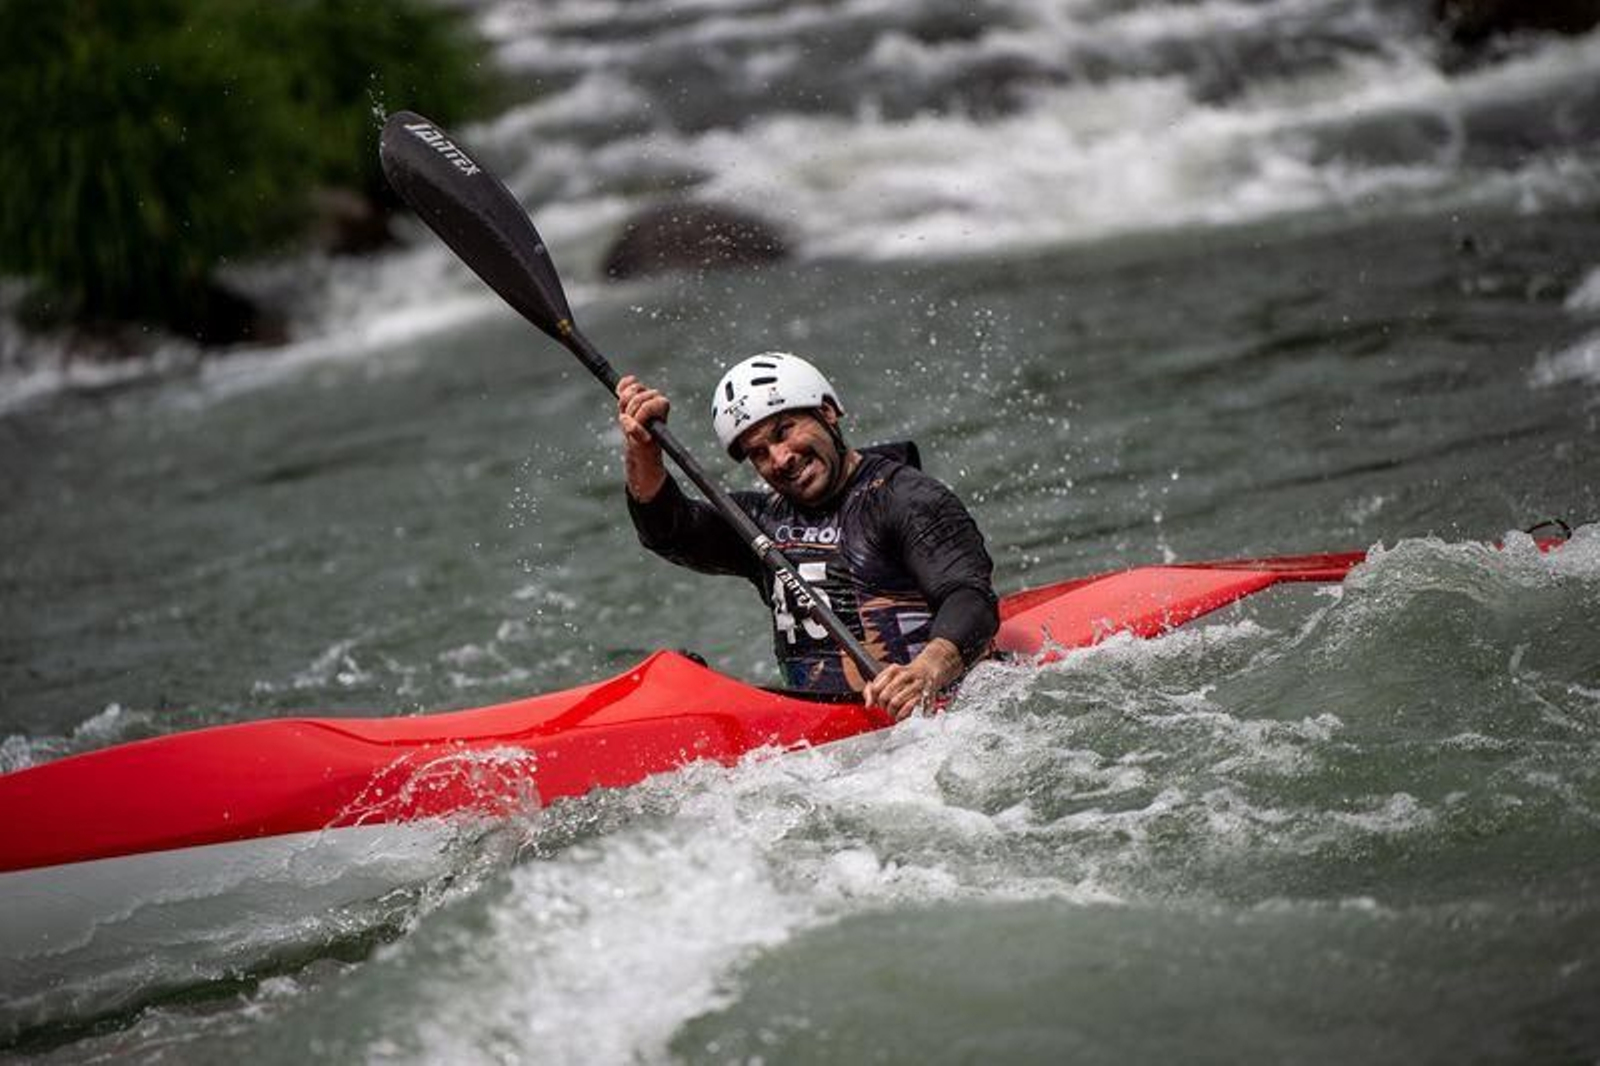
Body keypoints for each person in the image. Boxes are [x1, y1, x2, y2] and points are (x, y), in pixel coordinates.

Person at [616, 351, 998, 720]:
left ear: (827, 412)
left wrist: (926, 671)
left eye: (785, 432)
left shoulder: (906, 498)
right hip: (817, 733)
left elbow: (969, 596)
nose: (781, 459)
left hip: (932, 717)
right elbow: (668, 530)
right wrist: (644, 450)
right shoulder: (759, 522)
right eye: (760, 453)